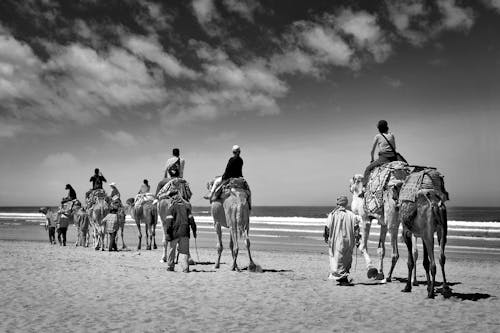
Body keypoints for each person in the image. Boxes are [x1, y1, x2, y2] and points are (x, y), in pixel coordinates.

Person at [324, 196, 361, 284]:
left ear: (338, 204)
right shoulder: (351, 215)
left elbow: (327, 228)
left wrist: (326, 237)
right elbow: (356, 228)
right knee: (346, 259)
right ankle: (343, 276)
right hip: (349, 241)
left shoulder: (332, 214)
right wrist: (357, 239)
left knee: (337, 259)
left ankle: (341, 277)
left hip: (336, 241)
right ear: (346, 203)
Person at [163, 194, 197, 272]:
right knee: (184, 252)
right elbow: (192, 221)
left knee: (172, 250)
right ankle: (185, 268)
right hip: (185, 232)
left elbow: (168, 222)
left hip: (174, 233)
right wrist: (194, 231)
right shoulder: (187, 208)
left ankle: (171, 266)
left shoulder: (171, 208)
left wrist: (167, 233)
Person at [362, 120, 398, 188]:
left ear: (379, 128)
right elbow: (394, 147)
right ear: (387, 127)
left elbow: (372, 151)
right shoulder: (392, 134)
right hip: (393, 157)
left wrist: (372, 159)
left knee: (368, 169)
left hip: (384, 158)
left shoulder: (378, 136)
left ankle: (364, 187)